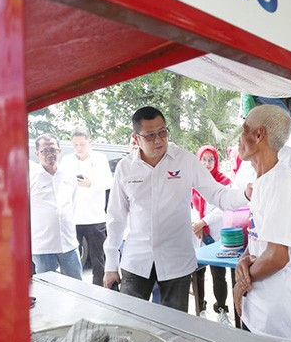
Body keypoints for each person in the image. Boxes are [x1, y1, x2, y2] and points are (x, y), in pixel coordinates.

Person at [104, 106, 249, 312]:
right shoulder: (125, 168)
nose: (158, 140)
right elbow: (116, 218)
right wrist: (110, 265)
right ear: (136, 139)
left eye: (163, 132)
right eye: (150, 135)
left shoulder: (185, 160)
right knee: (130, 322)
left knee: (175, 327)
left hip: (176, 262)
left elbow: (218, 195)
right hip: (136, 261)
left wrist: (245, 194)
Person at [231, 105, 291, 342]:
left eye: (243, 130)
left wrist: (240, 285)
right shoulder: (262, 181)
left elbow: (277, 256)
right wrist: (244, 259)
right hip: (259, 309)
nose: (239, 138)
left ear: (258, 135)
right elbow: (259, 237)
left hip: (280, 319)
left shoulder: (282, 182)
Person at [59, 128, 113, 286]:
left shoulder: (100, 158)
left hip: (95, 217)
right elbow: (61, 185)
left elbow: (109, 182)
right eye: (75, 144)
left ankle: (100, 291)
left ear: (90, 142)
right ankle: (72, 289)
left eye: (82, 144)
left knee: (98, 259)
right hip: (72, 217)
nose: (79, 148)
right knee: (71, 258)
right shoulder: (67, 160)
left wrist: (91, 183)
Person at [29, 134, 82, 280]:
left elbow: (73, 204)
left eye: (53, 150)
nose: (50, 154)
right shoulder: (30, 178)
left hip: (69, 243)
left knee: (77, 288)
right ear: (37, 154)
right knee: (48, 291)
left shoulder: (68, 175)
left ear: (59, 151)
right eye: (45, 151)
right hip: (42, 246)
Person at [191, 145, 233, 325]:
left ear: (216, 161)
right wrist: (196, 224)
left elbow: (222, 207)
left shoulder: (224, 181)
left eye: (211, 160)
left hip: (216, 234)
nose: (207, 164)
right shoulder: (192, 181)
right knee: (198, 274)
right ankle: (200, 309)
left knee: (218, 274)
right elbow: (189, 206)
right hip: (198, 235)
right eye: (204, 159)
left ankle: (222, 309)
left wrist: (204, 222)